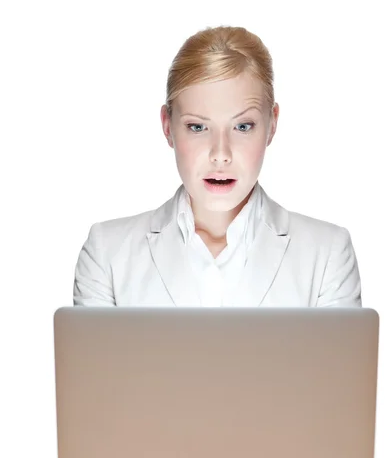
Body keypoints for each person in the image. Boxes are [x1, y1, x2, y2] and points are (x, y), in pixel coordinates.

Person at [73, 25, 362, 308]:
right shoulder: (107, 255)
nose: (220, 154)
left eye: (243, 126)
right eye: (197, 127)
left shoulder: (327, 256)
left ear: (272, 124)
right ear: (167, 127)